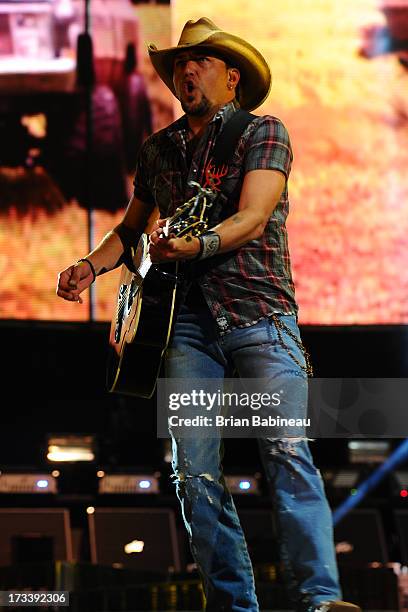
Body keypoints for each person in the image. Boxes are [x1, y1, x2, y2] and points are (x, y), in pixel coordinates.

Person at [57, 17, 361, 612]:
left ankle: (322, 600)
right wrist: (91, 267)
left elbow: (251, 217)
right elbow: (129, 226)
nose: (184, 71)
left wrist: (195, 245)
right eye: (177, 63)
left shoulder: (263, 132)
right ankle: (232, 605)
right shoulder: (158, 149)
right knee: (193, 475)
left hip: (260, 318)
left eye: (198, 60)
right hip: (186, 329)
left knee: (286, 452)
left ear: (232, 75)